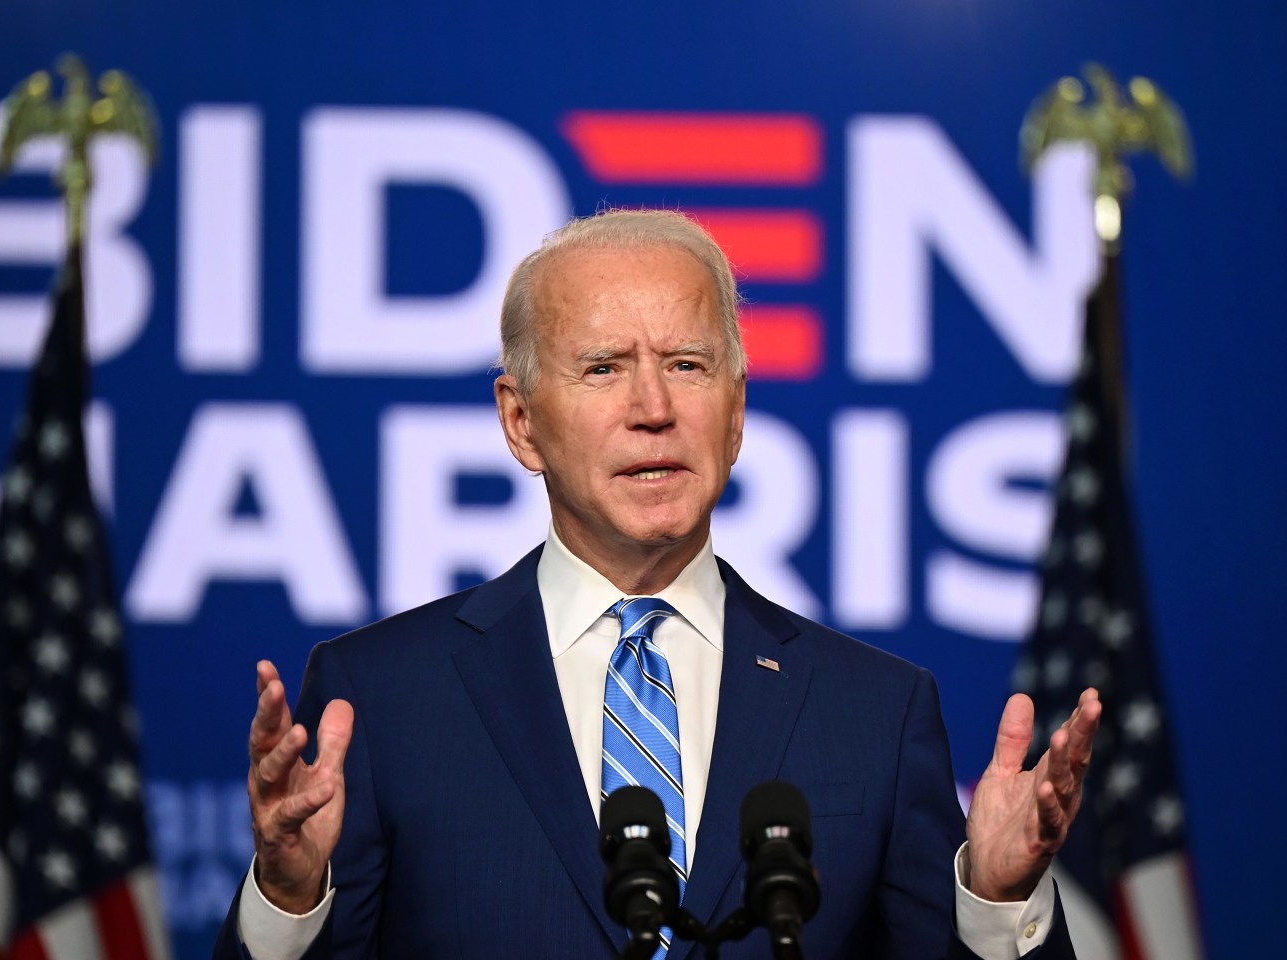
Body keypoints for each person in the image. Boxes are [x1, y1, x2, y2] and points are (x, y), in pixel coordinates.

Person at [215, 209, 1100, 960]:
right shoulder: (384, 697)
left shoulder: (876, 712)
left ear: (736, 411)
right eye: (604, 367)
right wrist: (289, 901)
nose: (654, 409)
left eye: (687, 364)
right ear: (520, 423)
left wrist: (994, 903)